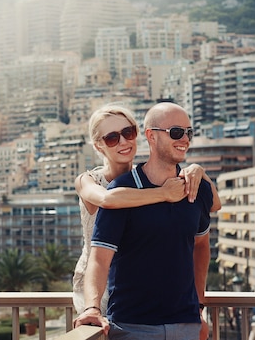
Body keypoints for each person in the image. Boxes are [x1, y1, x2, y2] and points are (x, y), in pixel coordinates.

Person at [74, 102, 220, 340]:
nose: (123, 142)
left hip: (184, 323)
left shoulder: (194, 186)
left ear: (139, 135)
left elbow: (208, 225)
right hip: (111, 306)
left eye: (128, 133)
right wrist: (164, 193)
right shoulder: (109, 188)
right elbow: (107, 201)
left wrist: (198, 307)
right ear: (99, 145)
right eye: (112, 138)